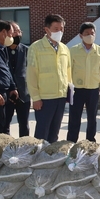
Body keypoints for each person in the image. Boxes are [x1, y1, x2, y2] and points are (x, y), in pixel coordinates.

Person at [27, 14, 72, 143]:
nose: (60, 32)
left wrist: (69, 92)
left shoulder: (64, 48)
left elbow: (68, 72)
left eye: (62, 28)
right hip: (44, 98)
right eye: (56, 28)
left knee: (55, 131)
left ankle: (50, 156)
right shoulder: (35, 48)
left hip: (60, 96)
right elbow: (31, 75)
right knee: (42, 131)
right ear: (46, 29)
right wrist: (35, 98)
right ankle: (39, 156)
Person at [67, 22, 100, 143]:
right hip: (76, 90)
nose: (90, 35)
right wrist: (68, 86)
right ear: (81, 35)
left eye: (92, 33)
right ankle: (71, 141)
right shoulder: (73, 50)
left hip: (93, 89)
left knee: (92, 117)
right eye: (86, 33)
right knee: (74, 117)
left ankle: (90, 140)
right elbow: (68, 69)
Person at [4, 21, 31, 137]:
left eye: (19, 31)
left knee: (24, 124)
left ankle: (23, 147)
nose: (17, 34)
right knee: (5, 124)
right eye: (14, 31)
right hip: (7, 95)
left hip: (23, 94)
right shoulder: (2, 51)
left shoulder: (27, 50)